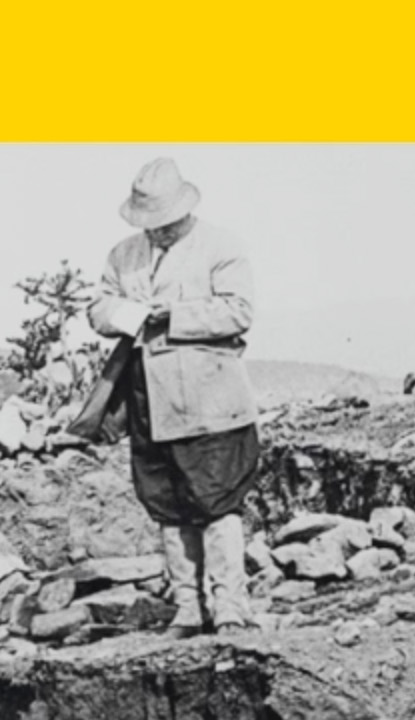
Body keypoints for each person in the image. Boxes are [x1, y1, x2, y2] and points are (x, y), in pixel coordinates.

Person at [88, 156, 260, 634]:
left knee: (216, 500)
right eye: (151, 225)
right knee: (166, 501)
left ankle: (229, 607)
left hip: (211, 400)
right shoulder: (124, 254)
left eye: (165, 223)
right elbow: (99, 308)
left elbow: (238, 312)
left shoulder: (221, 247)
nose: (158, 233)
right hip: (150, 400)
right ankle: (188, 607)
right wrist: (124, 313)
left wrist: (173, 315)